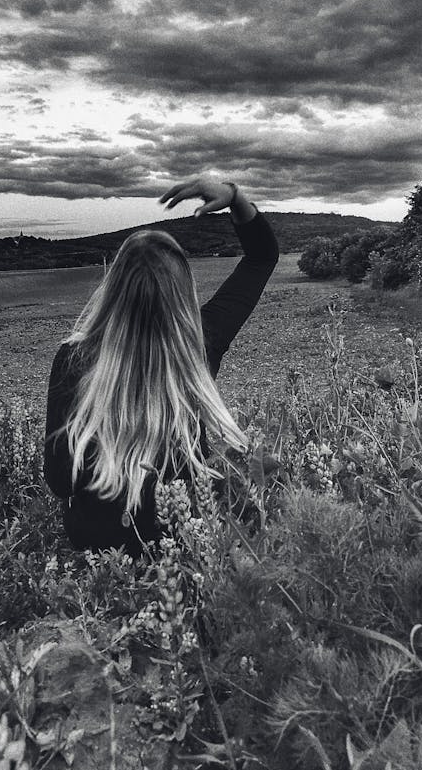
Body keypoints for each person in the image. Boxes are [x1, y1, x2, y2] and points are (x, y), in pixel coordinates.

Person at [43, 178, 279, 556]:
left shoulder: (74, 358)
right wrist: (234, 197)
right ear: (182, 289)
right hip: (183, 533)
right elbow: (262, 257)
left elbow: (60, 482)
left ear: (113, 289)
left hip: (98, 545)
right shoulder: (200, 343)